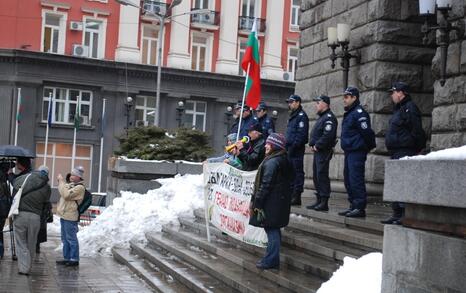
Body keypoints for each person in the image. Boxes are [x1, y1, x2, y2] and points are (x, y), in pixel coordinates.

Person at [381, 82, 426, 225]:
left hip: (405, 151)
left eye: (393, 92)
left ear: (401, 93)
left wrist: (416, 148)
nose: (392, 95)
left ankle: (404, 213)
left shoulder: (410, 108)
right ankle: (396, 213)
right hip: (396, 151)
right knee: (395, 183)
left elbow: (417, 130)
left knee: (403, 183)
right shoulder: (399, 109)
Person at [249, 133, 294, 270]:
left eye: (269, 144)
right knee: (273, 229)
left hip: (272, 203)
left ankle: (271, 260)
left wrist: (257, 203)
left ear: (275, 146)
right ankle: (271, 258)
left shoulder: (273, 162)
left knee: (271, 229)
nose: (266, 146)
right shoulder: (283, 159)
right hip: (278, 202)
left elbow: (266, 184)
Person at [338, 87, 376, 218]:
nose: (345, 99)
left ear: (354, 97)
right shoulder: (350, 112)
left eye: (347, 97)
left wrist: (367, 147)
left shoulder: (359, 113)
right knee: (348, 179)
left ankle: (360, 207)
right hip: (350, 151)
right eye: (344, 96)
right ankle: (353, 205)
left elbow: (367, 133)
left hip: (357, 151)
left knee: (356, 179)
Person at [12, 165, 51, 275]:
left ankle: (23, 268)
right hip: (35, 217)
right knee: (32, 242)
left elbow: (14, 186)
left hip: (20, 214)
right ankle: (28, 267)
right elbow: (46, 202)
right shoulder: (46, 187)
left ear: (37, 171)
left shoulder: (22, 178)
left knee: (21, 242)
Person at [307, 95, 338, 212]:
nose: (316, 105)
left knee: (322, 174)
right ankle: (319, 199)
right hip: (318, 151)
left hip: (323, 151)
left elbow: (328, 135)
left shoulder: (329, 117)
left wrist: (317, 145)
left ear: (325, 104)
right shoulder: (322, 117)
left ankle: (324, 201)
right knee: (316, 175)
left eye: (318, 102)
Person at [56, 166, 86, 267]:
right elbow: (64, 191)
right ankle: (67, 257)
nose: (72, 176)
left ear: (79, 177)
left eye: (74, 175)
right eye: (71, 174)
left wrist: (61, 182)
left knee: (71, 238)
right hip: (64, 215)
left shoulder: (80, 188)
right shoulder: (71, 185)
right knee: (64, 238)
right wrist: (63, 184)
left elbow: (66, 195)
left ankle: (74, 259)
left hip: (71, 216)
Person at [285, 94, 309, 206]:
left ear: (298, 102)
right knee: (290, 172)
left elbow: (301, 135)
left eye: (291, 102)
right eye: (289, 102)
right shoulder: (293, 116)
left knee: (297, 172)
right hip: (290, 148)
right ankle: (291, 194)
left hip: (296, 149)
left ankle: (296, 195)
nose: (290, 104)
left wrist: (293, 147)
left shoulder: (301, 116)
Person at [0, 160, 13, 259]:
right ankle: (0, 251)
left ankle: (1, 251)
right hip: (2, 210)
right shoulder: (4, 180)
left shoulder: (4, 179)